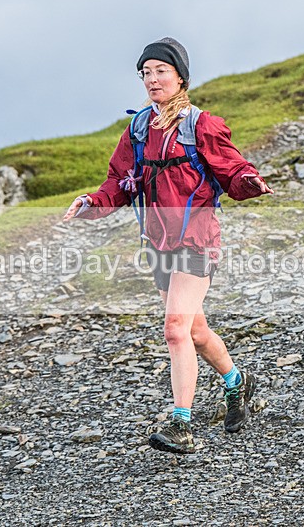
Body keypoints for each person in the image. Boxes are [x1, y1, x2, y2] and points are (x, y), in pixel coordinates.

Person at [63, 37, 273, 454]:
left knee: (174, 329)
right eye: (146, 73)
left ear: (180, 77)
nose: (152, 79)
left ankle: (182, 425)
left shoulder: (201, 126)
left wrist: (249, 183)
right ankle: (237, 382)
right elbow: (118, 184)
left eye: (161, 71)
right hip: (158, 243)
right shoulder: (138, 130)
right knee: (195, 330)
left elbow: (232, 169)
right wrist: (91, 202)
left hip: (197, 240)